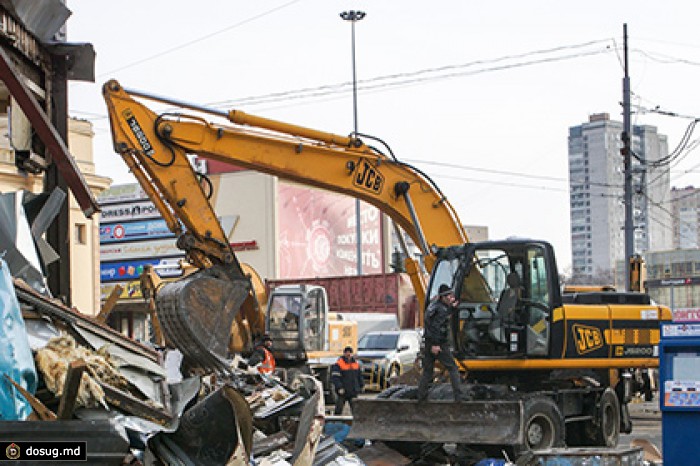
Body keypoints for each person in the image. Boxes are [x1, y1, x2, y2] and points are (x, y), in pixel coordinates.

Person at [416, 284, 464, 402]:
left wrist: (452, 308)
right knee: (452, 368)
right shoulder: (441, 310)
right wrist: (436, 344)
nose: (451, 298)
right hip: (438, 344)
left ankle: (421, 397)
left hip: (428, 343)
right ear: (443, 297)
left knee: (427, 370)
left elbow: (432, 323)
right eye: (449, 296)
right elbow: (438, 327)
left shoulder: (433, 307)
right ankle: (459, 397)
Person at [331, 346, 364, 415]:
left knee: (355, 410)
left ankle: (355, 422)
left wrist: (362, 385)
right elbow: (335, 378)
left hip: (353, 391)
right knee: (339, 409)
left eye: (350, 353)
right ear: (344, 353)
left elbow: (359, 376)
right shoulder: (339, 364)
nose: (348, 354)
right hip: (343, 391)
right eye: (347, 353)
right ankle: (335, 421)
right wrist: (339, 387)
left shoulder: (355, 364)